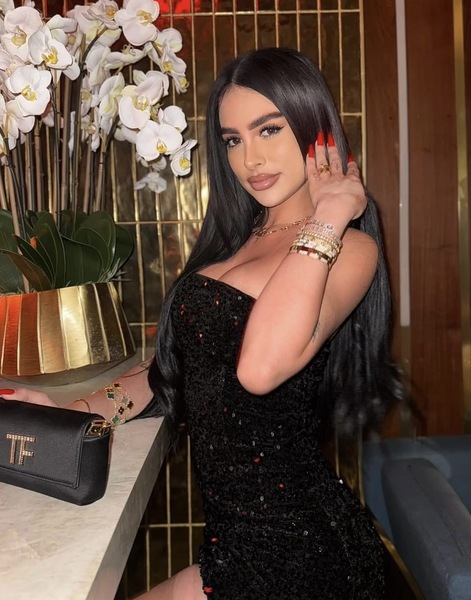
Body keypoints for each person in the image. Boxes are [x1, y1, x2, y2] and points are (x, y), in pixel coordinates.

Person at [3, 47, 404, 599]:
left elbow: (260, 369)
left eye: (269, 129)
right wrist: (66, 416)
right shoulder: (235, 241)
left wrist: (331, 212)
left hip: (302, 557)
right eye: (233, 139)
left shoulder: (347, 248)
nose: (251, 159)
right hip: (238, 551)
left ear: (315, 129)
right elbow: (169, 369)